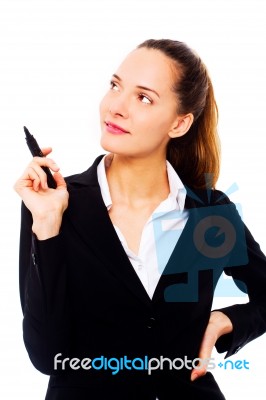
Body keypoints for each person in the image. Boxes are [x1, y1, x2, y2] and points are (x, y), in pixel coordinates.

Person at [14, 39, 266, 400]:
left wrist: (229, 322)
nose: (116, 106)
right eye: (115, 86)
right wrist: (48, 227)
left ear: (179, 124)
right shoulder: (53, 203)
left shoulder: (211, 214)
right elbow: (45, 355)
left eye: (143, 97)